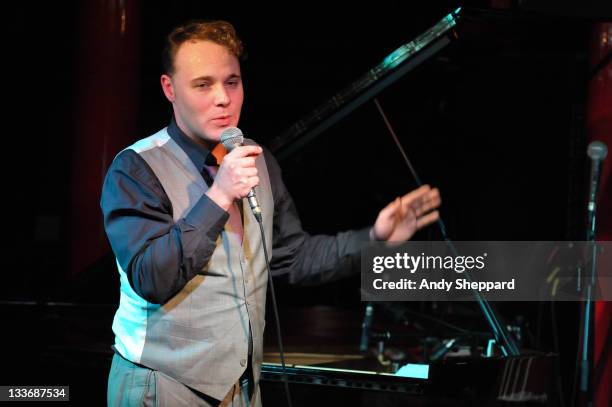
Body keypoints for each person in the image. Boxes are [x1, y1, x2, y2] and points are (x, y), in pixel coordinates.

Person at [101, 20, 441, 407]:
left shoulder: (258, 161)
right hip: (163, 386)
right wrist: (219, 195)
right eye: (203, 85)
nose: (223, 99)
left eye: (232, 82)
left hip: (244, 388)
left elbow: (293, 257)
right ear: (169, 88)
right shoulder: (136, 167)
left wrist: (375, 238)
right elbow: (151, 277)